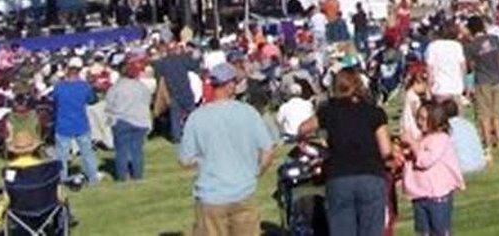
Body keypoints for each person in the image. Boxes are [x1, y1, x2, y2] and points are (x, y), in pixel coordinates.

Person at [178, 62, 275, 236]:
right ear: (230, 85)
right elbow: (268, 151)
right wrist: (255, 173)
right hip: (243, 193)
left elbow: (185, 160)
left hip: (211, 197)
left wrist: (205, 161)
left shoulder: (196, 118)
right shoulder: (249, 113)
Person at [297, 67, 394, 236]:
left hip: (339, 176)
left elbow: (303, 128)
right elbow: (386, 149)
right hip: (370, 174)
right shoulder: (374, 112)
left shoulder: (328, 111)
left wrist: (313, 143)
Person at [401, 99, 464, 236]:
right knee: (423, 232)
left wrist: (412, 143)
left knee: (440, 232)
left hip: (437, 197)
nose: (419, 122)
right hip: (420, 195)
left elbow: (425, 160)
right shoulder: (422, 139)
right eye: (418, 118)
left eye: (423, 119)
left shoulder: (441, 139)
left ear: (435, 119)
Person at [102, 57, 152, 181]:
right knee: (137, 150)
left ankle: (121, 177)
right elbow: (148, 101)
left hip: (121, 120)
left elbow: (108, 104)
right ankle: (138, 175)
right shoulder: (142, 87)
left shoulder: (116, 88)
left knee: (121, 151)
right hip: (140, 121)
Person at [51, 57, 99, 184]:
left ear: (68, 69)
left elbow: (53, 101)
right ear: (79, 70)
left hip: (63, 124)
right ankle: (93, 178)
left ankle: (62, 179)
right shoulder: (84, 87)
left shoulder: (59, 87)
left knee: (62, 155)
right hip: (80, 124)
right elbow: (93, 100)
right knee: (87, 153)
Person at [463, 16, 499, 152]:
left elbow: (469, 67)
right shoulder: (494, 39)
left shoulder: (471, 46)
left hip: (482, 80)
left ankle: (487, 142)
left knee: (484, 114)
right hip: (497, 79)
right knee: (496, 112)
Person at [154, 41, 199, 143]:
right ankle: (197, 133)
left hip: (173, 92)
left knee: (175, 117)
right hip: (185, 91)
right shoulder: (182, 59)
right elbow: (194, 65)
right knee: (193, 115)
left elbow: (156, 69)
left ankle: (176, 137)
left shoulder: (163, 62)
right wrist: (195, 55)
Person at [425, 22, 467, 102]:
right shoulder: (457, 46)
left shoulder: (433, 46)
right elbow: (463, 67)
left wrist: (429, 86)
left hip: (439, 87)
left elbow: (429, 69)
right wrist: (464, 83)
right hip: (456, 87)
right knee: (457, 113)